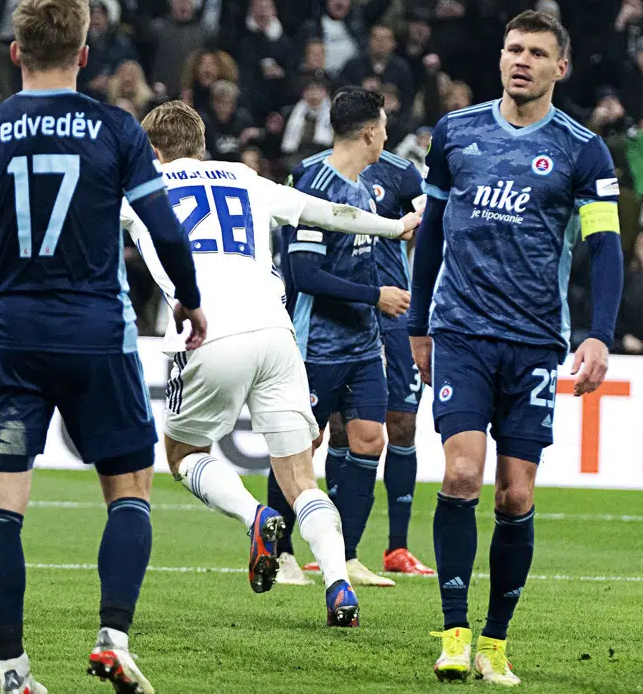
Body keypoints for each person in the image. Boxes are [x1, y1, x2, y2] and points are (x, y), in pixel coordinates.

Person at [0, 0, 206, 694]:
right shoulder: (118, 130)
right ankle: (113, 638)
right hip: (99, 334)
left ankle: (11, 670)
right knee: (129, 492)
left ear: (15, 53)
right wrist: (190, 301)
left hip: (10, 337)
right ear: (84, 56)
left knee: (1, 507)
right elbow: (164, 230)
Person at [120, 101, 418, 627]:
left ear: (154, 150)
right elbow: (325, 212)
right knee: (302, 476)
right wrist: (395, 227)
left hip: (207, 331)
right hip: (277, 333)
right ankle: (339, 584)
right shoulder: (245, 177)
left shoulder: (144, 187)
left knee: (182, 453)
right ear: (202, 143)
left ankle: (255, 516)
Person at [407, 10, 624, 684]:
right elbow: (433, 231)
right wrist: (418, 323)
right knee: (461, 474)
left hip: (534, 340)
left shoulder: (582, 149)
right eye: (511, 48)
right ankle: (452, 631)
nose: (520, 60)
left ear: (561, 67)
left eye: (535, 51)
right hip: (461, 330)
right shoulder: (455, 133)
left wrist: (600, 333)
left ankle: (495, 642)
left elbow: (606, 248)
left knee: (513, 496)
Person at [268, 88, 413, 591]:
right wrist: (375, 295)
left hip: (361, 346)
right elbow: (303, 272)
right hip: (315, 345)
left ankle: (347, 555)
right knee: (302, 444)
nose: (387, 136)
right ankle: (280, 552)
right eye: (385, 127)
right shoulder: (318, 185)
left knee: (370, 439)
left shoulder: (363, 189)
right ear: (370, 132)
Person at [342, 148, 434, 578]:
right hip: (340, 308)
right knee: (342, 426)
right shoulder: (320, 170)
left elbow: (431, 226)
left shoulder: (402, 172)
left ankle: (397, 548)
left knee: (402, 422)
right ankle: (339, 548)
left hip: (396, 309)